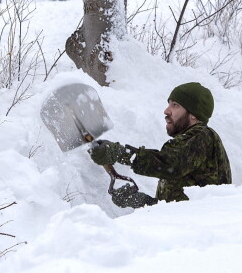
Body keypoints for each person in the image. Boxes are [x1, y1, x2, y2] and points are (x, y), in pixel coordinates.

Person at [89, 82, 232, 208]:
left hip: (200, 234)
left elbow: (169, 164)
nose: (166, 111)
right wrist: (142, 202)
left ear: (193, 114)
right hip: (188, 232)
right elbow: (180, 207)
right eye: (169, 104)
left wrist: (120, 153)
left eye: (175, 105)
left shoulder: (202, 135)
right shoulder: (187, 145)